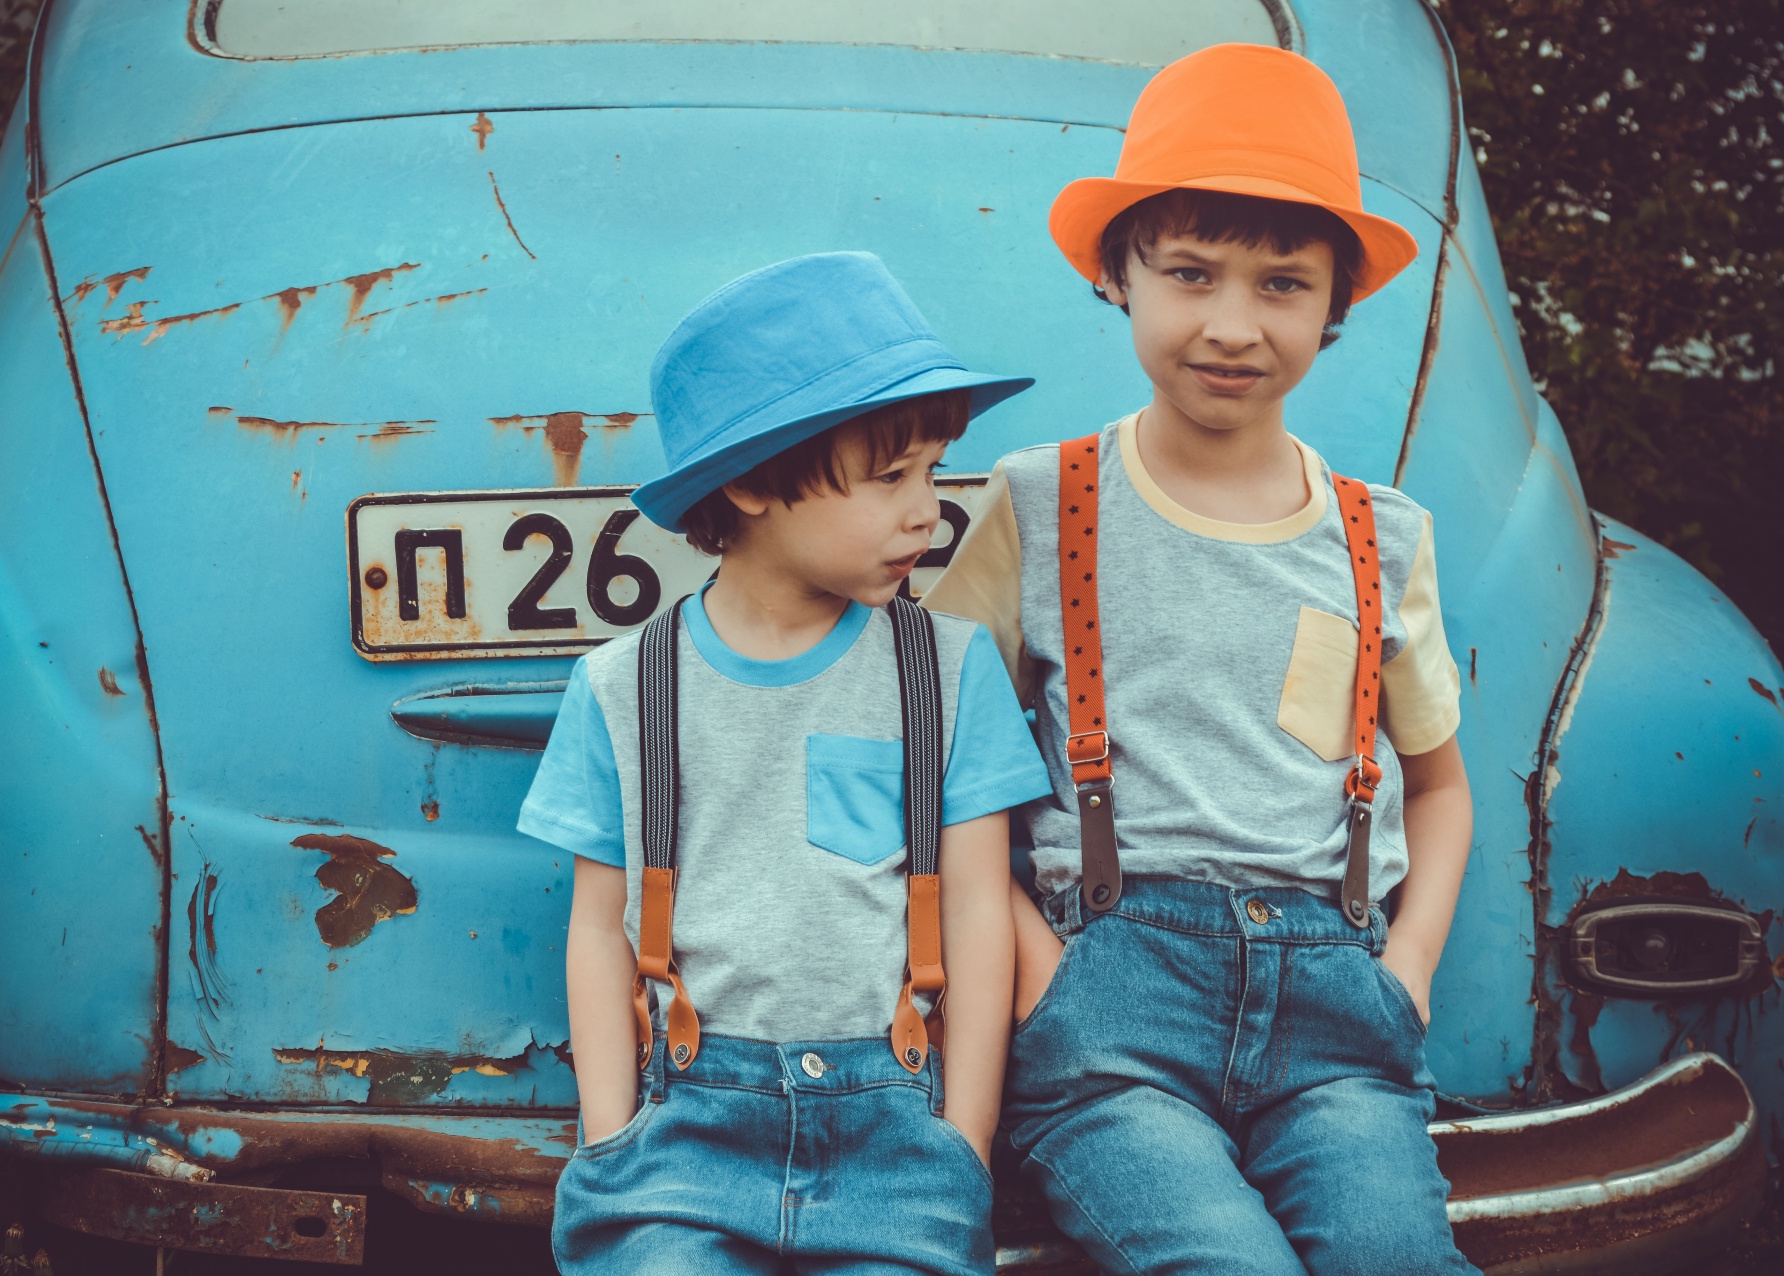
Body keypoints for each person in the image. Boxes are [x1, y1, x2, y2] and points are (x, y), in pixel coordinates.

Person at [925, 44, 1479, 1274]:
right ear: (1119, 276)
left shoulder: (1378, 535)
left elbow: (1438, 786)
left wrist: (1409, 973)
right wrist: (1037, 980)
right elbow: (941, 771)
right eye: (1189, 273)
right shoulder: (1040, 502)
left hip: (1341, 1013)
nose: (1232, 324)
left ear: (1337, 305)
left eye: (1283, 284)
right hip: (1111, 1023)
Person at [519, 251, 1054, 1273]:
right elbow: (598, 924)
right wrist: (608, 1133)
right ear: (759, 481)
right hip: (682, 1144)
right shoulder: (621, 687)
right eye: (891, 476)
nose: (928, 509)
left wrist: (966, 1142)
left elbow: (983, 913)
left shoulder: (947, 671)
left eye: (933, 471)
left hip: (896, 1143)